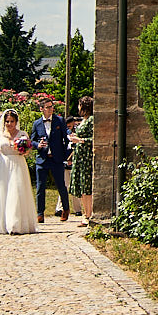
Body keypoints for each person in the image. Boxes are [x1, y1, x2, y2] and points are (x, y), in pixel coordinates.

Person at [0, 110, 37, 235]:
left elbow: (28, 152)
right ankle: (2, 222)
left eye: (12, 121)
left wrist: (24, 150)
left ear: (16, 122)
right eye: (7, 121)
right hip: (3, 165)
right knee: (3, 193)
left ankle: (16, 224)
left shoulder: (22, 134)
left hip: (18, 164)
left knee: (17, 192)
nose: (9, 124)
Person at [31, 97, 72, 222]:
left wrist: (65, 155)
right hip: (42, 159)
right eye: (48, 107)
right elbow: (32, 140)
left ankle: (65, 209)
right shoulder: (37, 124)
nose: (51, 109)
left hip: (57, 159)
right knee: (40, 187)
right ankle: (40, 213)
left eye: (51, 106)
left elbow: (66, 139)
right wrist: (37, 145)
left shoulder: (59, 121)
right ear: (41, 109)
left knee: (61, 185)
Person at [69, 96, 95, 225]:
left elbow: (95, 139)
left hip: (86, 157)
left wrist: (80, 140)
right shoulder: (84, 120)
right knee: (81, 185)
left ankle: (88, 214)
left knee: (86, 186)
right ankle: (85, 212)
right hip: (79, 156)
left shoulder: (91, 120)